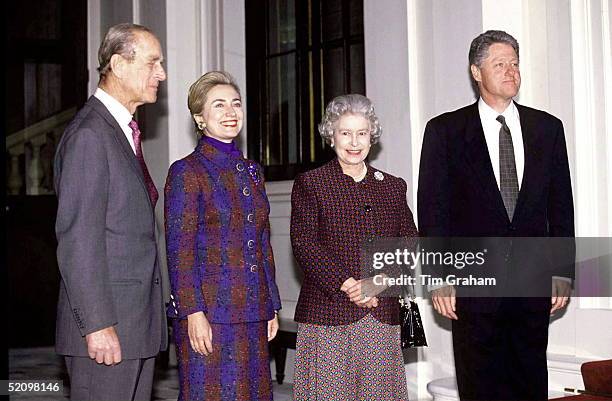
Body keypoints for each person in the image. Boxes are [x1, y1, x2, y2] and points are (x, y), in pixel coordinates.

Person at [418, 30, 574, 400]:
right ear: (476, 72)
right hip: (473, 283)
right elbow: (433, 209)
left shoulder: (547, 129)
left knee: (529, 380)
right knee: (480, 383)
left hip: (532, 283)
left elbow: (561, 206)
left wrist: (564, 271)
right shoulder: (445, 131)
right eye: (499, 64)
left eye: (515, 63)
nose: (511, 71)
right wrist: (439, 277)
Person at [54, 23, 167, 401]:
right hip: (108, 330)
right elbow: (78, 241)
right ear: (118, 65)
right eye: (153, 63)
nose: (161, 74)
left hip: (134, 325)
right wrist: (98, 325)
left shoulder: (119, 131)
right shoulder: (90, 135)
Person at [164, 70, 282, 401]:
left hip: (252, 309)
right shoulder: (187, 171)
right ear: (200, 118)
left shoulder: (252, 171)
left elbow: (262, 242)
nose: (230, 113)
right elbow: (180, 250)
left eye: (235, 103)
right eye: (219, 105)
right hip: (210, 314)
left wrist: (271, 304)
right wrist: (193, 313)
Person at [290, 94, 417, 401]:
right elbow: (304, 243)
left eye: (361, 133)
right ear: (330, 135)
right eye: (345, 133)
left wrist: (380, 281)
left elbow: (411, 242)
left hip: (381, 313)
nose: (354, 142)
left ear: (371, 136)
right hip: (327, 314)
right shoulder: (312, 183)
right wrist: (349, 285)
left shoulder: (392, 185)